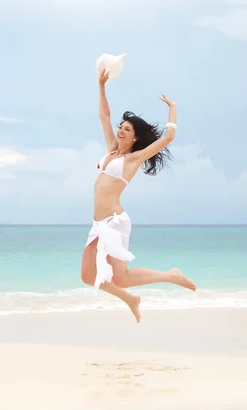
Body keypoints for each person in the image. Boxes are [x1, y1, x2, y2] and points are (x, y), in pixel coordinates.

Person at [81, 69, 196, 323]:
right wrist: (101, 86)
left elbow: (169, 136)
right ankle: (130, 299)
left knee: (121, 277)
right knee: (88, 276)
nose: (120, 131)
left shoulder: (133, 159)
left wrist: (173, 108)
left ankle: (171, 276)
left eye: (126, 129)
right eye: (121, 127)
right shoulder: (111, 150)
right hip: (98, 224)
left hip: (114, 222)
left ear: (135, 137)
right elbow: (104, 115)